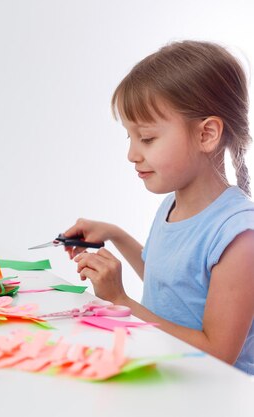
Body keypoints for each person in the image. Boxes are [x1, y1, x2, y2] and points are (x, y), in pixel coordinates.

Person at [64, 40, 254, 374]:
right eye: (130, 138)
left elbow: (218, 353)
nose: (132, 154)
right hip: (167, 372)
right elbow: (168, 283)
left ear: (207, 134)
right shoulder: (173, 204)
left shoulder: (239, 236)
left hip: (217, 394)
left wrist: (122, 302)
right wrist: (115, 235)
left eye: (147, 138)